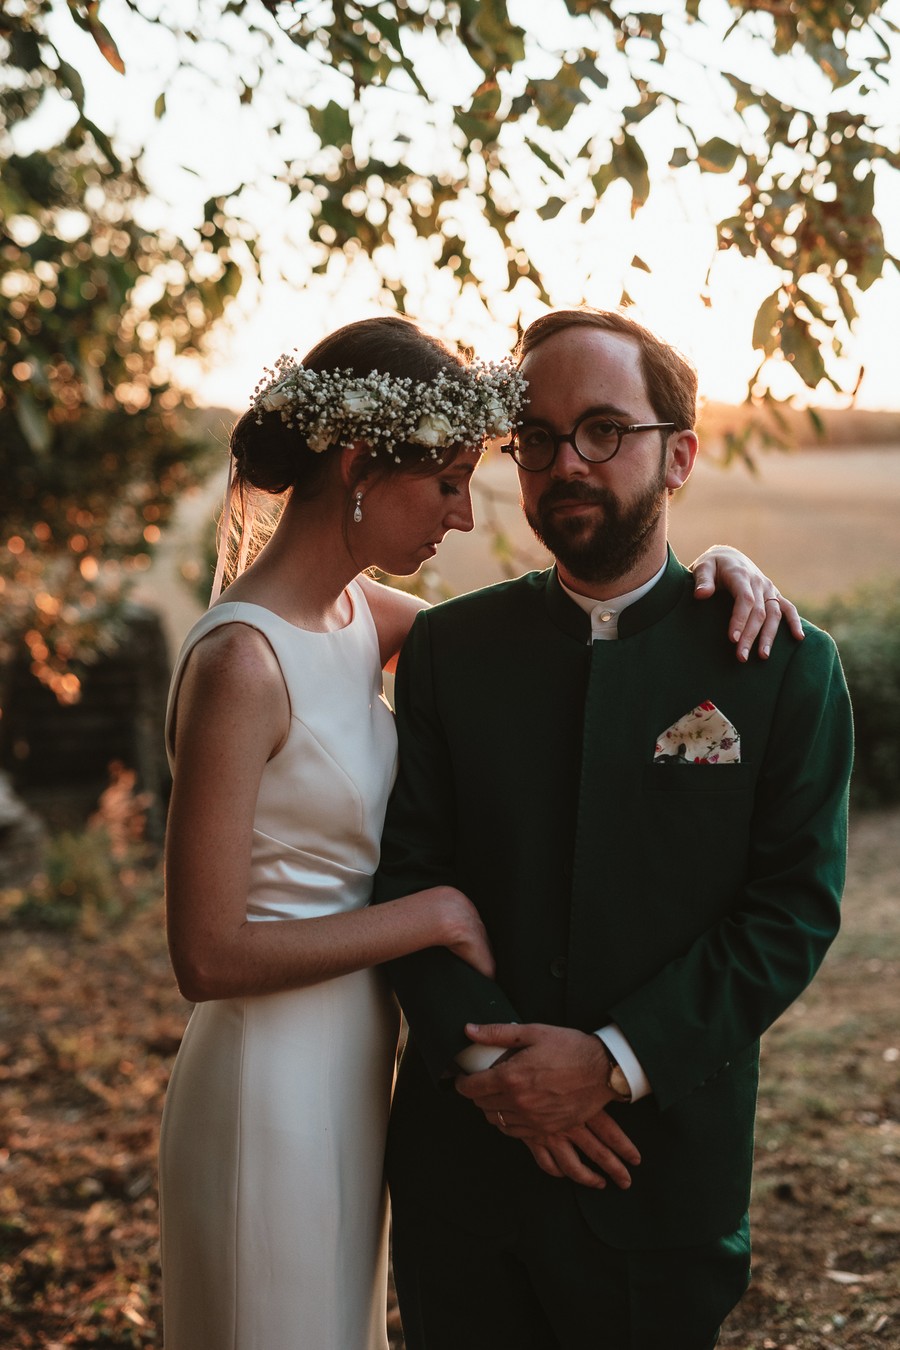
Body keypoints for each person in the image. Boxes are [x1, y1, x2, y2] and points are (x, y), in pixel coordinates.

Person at [158, 312, 803, 1350]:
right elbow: (203, 953)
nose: (467, 513)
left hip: (359, 1068)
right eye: (454, 479)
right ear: (363, 465)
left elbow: (562, 641)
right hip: (272, 1078)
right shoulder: (244, 660)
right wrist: (434, 915)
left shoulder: (359, 617)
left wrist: (719, 569)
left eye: (474, 477)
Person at [375, 309, 854, 1350]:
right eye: (537, 440)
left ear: (679, 454)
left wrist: (612, 1060)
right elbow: (407, 873)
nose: (565, 465)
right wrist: (490, 1069)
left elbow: (791, 912)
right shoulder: (453, 650)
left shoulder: (781, 668)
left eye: (603, 430)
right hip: (463, 1171)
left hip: (661, 1169)